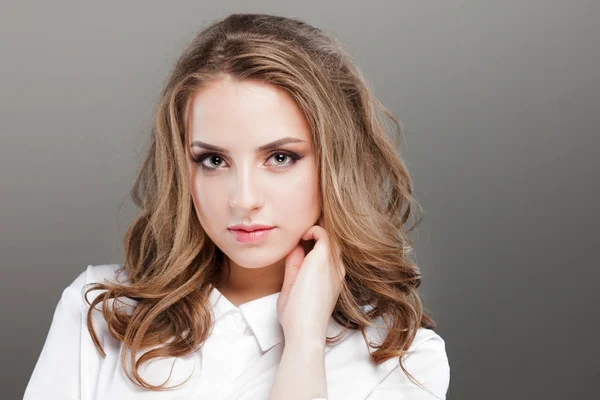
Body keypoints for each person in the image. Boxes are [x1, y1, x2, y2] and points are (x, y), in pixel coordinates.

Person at [24, 13, 450, 400]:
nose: (244, 199)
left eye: (280, 158)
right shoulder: (97, 312)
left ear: (337, 162)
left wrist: (303, 345)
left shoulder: (403, 362)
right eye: (213, 160)